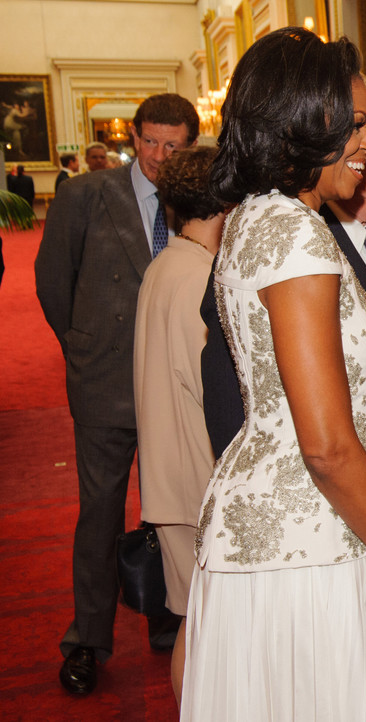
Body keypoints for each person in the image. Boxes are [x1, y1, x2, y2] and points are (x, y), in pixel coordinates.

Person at [198, 74, 366, 722]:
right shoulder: (294, 232)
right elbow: (324, 447)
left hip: (276, 529)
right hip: (316, 542)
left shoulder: (253, 215)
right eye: (353, 125)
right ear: (300, 129)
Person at [35, 92, 199, 696]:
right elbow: (54, 282)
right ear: (134, 138)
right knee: (99, 515)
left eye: (172, 144)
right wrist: (82, 347)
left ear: (189, 142)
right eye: (150, 141)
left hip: (176, 384)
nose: (159, 155)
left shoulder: (198, 197)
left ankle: (167, 613)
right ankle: (87, 639)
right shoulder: (85, 196)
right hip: (105, 384)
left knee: (172, 508)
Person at [132, 145, 227, 707]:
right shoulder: (197, 275)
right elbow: (216, 393)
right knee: (205, 636)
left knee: (198, 628)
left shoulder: (169, 264)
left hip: (173, 479)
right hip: (196, 483)